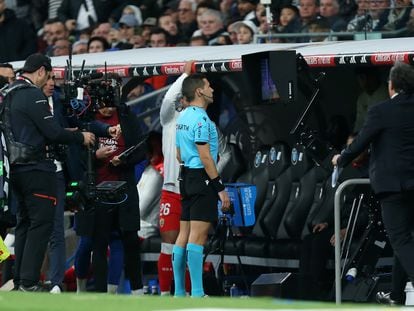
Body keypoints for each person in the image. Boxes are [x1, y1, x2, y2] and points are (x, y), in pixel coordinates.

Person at [4, 53, 95, 292]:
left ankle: (20, 280)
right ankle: (30, 281)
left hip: (14, 169)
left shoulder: (8, 94)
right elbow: (53, 132)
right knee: (41, 224)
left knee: (24, 223)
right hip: (36, 168)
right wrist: (79, 136)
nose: (48, 82)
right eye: (49, 76)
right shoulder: (32, 95)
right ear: (42, 71)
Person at [332, 61, 414, 301]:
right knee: (405, 238)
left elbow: (360, 143)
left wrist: (340, 159)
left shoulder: (381, 111)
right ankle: (397, 295)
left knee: (399, 239)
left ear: (392, 85)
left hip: (393, 186)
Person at [173, 73, 230, 297]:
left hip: (185, 177)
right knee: (197, 237)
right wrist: (220, 188)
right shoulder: (202, 120)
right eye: (208, 86)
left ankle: (179, 292)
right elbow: (206, 157)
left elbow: (179, 155)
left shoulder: (182, 117)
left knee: (183, 236)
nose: (212, 90)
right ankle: (197, 292)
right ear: (199, 91)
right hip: (201, 178)